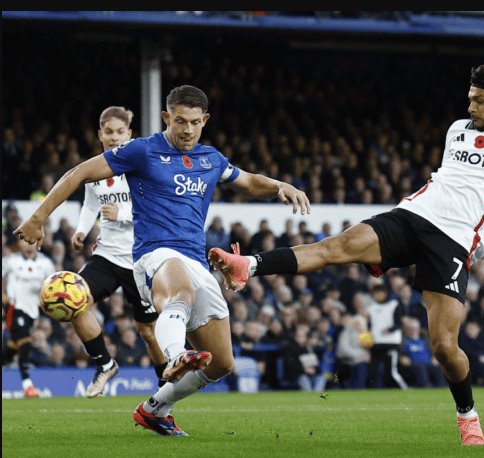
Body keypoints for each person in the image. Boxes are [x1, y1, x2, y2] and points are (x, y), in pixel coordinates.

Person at [209, 64, 484, 446]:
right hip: (412, 215)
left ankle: (467, 415)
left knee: (444, 347)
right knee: (336, 247)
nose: (471, 107)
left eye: (479, 101)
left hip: (453, 242)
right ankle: (249, 265)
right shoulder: (457, 131)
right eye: (470, 99)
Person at [13, 85, 309, 436]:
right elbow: (78, 173)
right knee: (178, 290)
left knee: (222, 364)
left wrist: (277, 186)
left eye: (195, 123)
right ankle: (173, 355)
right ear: (167, 117)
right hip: (155, 254)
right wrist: (38, 217)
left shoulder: (210, 158)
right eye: (180, 121)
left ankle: (155, 409)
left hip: (197, 261)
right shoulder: (141, 150)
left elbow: (247, 181)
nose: (187, 130)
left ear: (205, 121)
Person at [69, 106, 166, 398]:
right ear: (100, 135)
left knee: (148, 332)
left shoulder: (142, 166)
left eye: (119, 132)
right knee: (74, 300)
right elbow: (90, 205)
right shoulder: (95, 170)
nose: (114, 137)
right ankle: (105, 363)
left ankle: (167, 387)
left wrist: (121, 212)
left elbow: (156, 207)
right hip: (107, 256)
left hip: (140, 259)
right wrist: (81, 230)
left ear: (130, 134)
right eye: (108, 132)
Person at [2, 239, 56, 397]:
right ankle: (27, 385)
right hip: (14, 308)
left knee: (12, 348)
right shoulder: (11, 261)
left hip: (33, 311)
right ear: (20, 244)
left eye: (33, 241)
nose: (29, 244)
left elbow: (53, 284)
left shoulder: (46, 263)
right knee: (25, 343)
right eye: (26, 241)